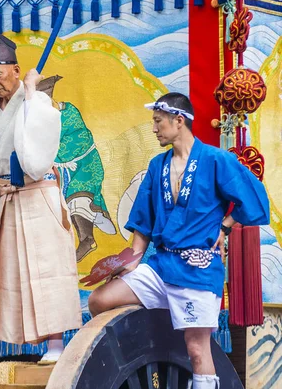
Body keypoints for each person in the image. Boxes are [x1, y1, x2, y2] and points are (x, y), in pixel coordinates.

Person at [88, 93, 270, 389]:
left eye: (158, 122)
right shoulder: (157, 166)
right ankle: (143, 358)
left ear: (179, 121)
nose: (154, 128)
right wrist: (132, 262)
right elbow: (143, 222)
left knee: (198, 350)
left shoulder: (215, 160)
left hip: (196, 269)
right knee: (100, 300)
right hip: (161, 265)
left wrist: (225, 227)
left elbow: (253, 197)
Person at [0, 29, 82, 363]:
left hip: (38, 193)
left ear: (15, 70)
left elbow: (38, 153)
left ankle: (55, 343)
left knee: (47, 269)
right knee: (4, 273)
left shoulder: (38, 102)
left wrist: (31, 93)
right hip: (7, 199)